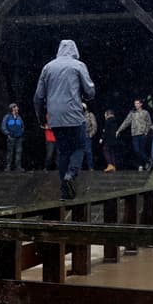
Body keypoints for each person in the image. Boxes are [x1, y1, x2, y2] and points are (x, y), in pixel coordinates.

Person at [34, 39, 96, 199]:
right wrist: (85, 95)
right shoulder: (78, 65)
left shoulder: (47, 67)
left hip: (55, 118)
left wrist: (42, 119)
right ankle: (71, 174)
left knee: (63, 151)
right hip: (74, 115)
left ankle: (64, 192)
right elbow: (90, 91)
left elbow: (38, 97)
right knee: (79, 147)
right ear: (75, 51)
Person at [116, 98, 153, 170]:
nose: (136, 105)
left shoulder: (145, 113)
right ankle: (148, 160)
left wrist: (146, 132)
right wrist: (118, 130)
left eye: (137, 103)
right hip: (134, 134)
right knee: (136, 150)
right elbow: (126, 122)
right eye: (135, 103)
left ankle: (141, 165)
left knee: (142, 150)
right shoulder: (132, 113)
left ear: (141, 104)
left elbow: (149, 123)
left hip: (142, 134)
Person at [2, 103, 25, 172]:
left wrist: (21, 133)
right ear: (12, 108)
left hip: (19, 137)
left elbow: (22, 126)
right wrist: (8, 134)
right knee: (10, 152)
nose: (17, 109)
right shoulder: (7, 117)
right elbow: (3, 126)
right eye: (16, 107)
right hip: (11, 137)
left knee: (18, 152)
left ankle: (18, 167)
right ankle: (8, 167)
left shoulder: (19, 117)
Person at [82, 103, 98, 171]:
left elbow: (94, 126)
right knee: (79, 152)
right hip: (79, 136)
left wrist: (91, 134)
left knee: (88, 152)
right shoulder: (77, 115)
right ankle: (78, 167)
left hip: (87, 135)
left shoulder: (90, 115)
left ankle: (90, 167)